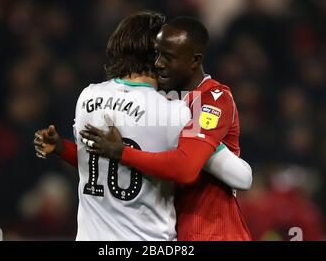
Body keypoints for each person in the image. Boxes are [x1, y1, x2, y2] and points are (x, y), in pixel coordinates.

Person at [35, 13, 252, 240]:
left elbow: (237, 176)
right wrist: (66, 149)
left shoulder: (88, 96)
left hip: (214, 232)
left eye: (167, 56)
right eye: (158, 55)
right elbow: (106, 162)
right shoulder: (174, 111)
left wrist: (120, 152)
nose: (160, 63)